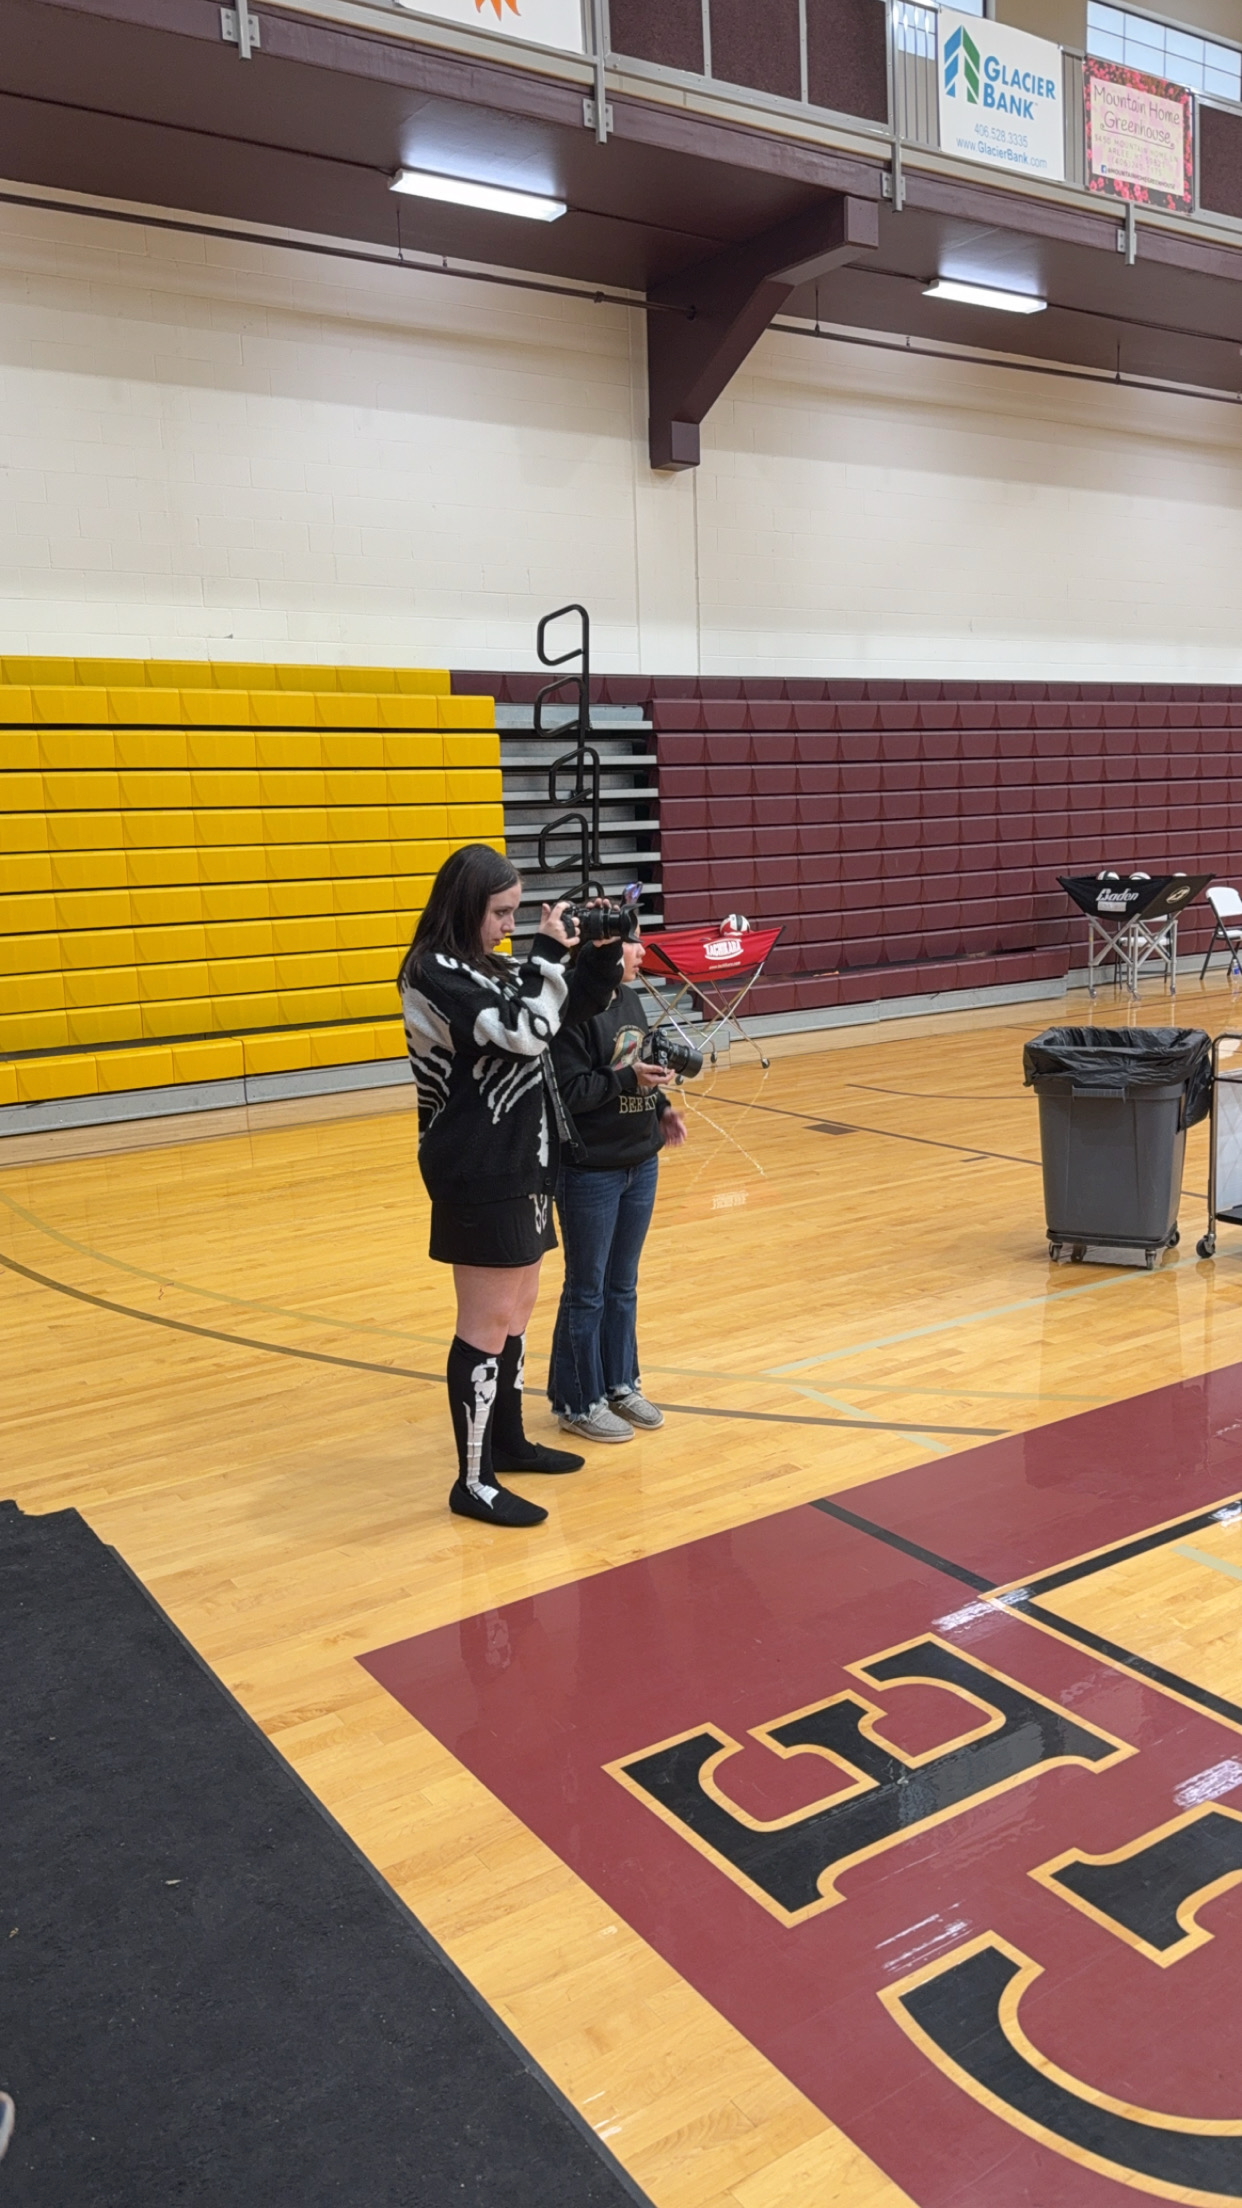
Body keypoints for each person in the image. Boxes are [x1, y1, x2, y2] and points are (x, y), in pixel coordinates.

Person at [398, 844, 623, 1529]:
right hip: (478, 1164)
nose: (508, 924)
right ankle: (474, 1480)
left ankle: (509, 1442)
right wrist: (548, 957)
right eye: (500, 912)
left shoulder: (489, 968)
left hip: (524, 1156)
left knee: (518, 1308)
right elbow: (524, 1032)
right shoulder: (433, 970)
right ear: (466, 907)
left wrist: (602, 951)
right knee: (486, 1320)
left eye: (516, 912)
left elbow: (566, 1015)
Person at [547, 927, 688, 1442]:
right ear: (601, 953)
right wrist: (630, 1082)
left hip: (639, 1161)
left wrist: (663, 1107)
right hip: (589, 1169)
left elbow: (640, 1066)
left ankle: (620, 1383)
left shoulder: (631, 999)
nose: (640, 954)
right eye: (631, 945)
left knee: (622, 1285)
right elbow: (570, 1091)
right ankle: (577, 1400)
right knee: (586, 1289)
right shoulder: (569, 1010)